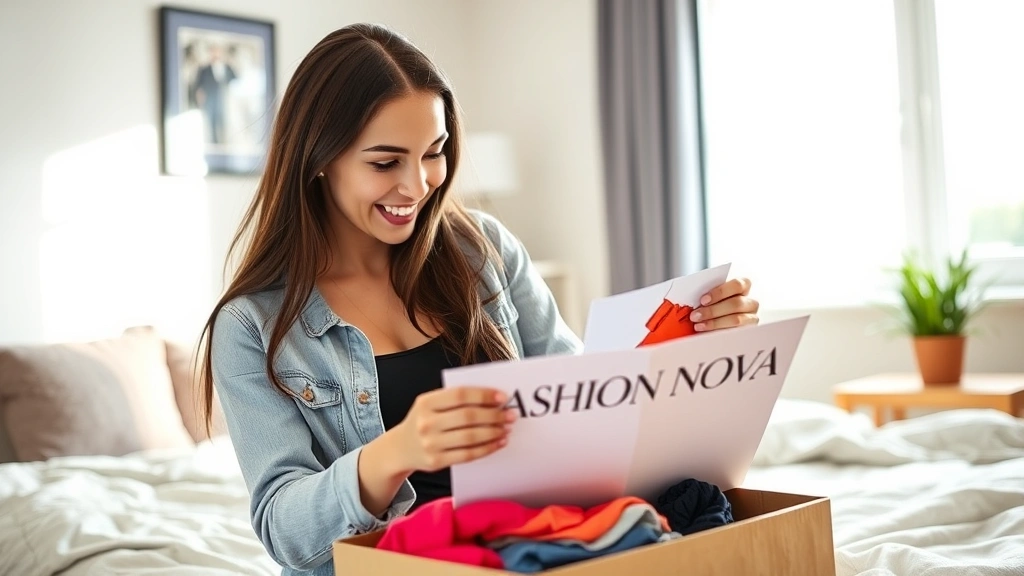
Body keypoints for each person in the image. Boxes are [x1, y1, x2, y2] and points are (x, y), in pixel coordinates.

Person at [197, 23, 761, 576]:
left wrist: (690, 345)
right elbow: (283, 530)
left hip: (539, 543)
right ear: (318, 159)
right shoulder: (253, 325)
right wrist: (399, 451)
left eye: (434, 153)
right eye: (385, 162)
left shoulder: (481, 249)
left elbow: (585, 403)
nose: (418, 185)